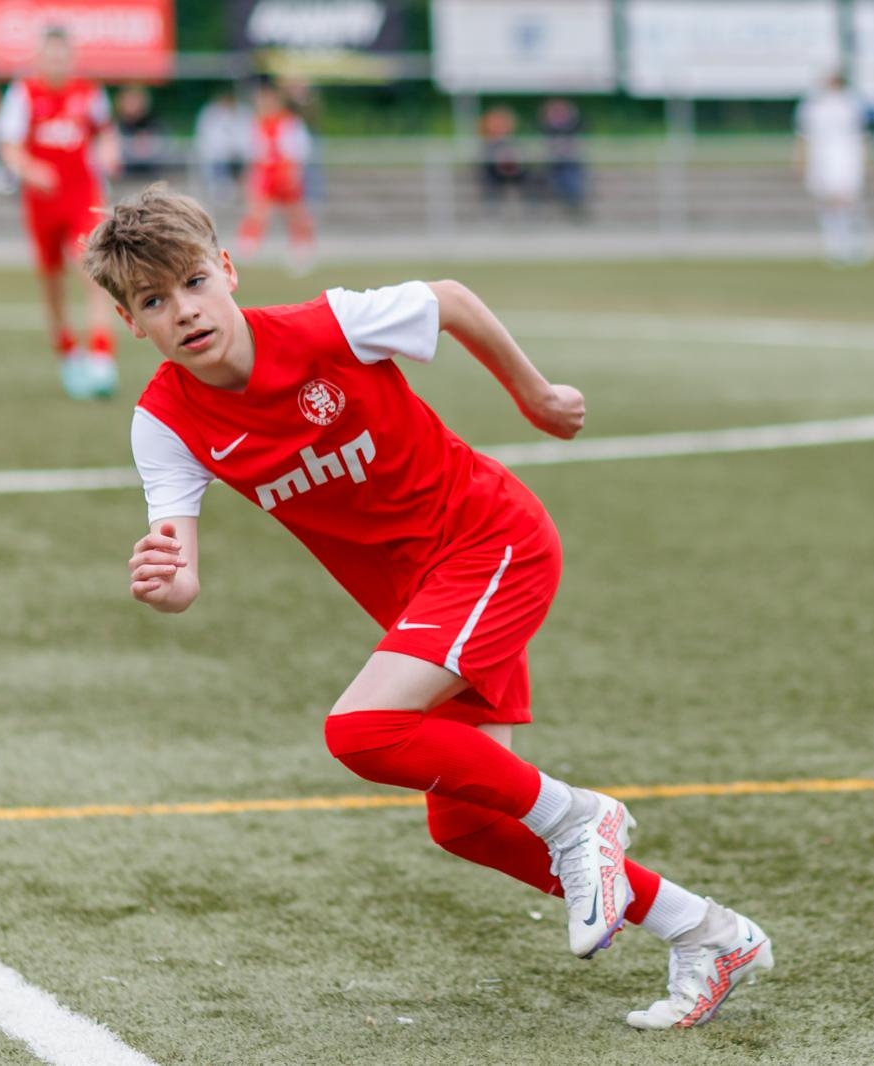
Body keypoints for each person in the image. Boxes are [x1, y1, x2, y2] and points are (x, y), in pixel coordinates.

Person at [83, 184, 775, 1030]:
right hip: (427, 602)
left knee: (360, 730)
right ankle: (706, 933)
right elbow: (181, 574)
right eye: (155, 300)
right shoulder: (164, 422)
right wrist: (166, 583)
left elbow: (449, 301)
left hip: (492, 543)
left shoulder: (329, 325)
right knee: (466, 827)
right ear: (131, 321)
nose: (184, 310)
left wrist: (533, 395)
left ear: (227, 270)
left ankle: (579, 819)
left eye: (193, 282)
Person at [0, 26, 122, 400]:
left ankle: (102, 357)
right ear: (39, 58)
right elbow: (8, 147)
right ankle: (68, 352)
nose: (57, 63)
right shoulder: (23, 94)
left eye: (62, 56)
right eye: (50, 56)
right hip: (42, 205)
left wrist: (109, 152)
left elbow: (106, 132)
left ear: (71, 58)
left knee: (93, 270)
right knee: (52, 283)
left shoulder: (88, 92)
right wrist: (31, 169)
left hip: (83, 197)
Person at [237, 80, 316, 273]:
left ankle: (302, 251)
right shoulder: (256, 124)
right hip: (266, 173)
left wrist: (292, 174)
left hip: (285, 172)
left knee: (295, 214)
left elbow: (298, 150)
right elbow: (254, 154)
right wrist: (250, 175)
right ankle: (247, 251)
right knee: (257, 212)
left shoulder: (289, 122)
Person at [795, 73, 869, 267]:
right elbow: (803, 135)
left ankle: (853, 243)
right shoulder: (813, 105)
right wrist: (801, 159)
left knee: (848, 199)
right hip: (821, 155)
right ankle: (833, 244)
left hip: (847, 154)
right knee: (828, 200)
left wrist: (865, 158)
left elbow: (860, 133)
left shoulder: (850, 102)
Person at [193, 87, 251, 207]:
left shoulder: (242, 113)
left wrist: (236, 149)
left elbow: (246, 136)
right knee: (219, 165)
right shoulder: (211, 114)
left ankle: (239, 189)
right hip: (217, 155)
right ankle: (223, 192)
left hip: (238, 153)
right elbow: (209, 138)